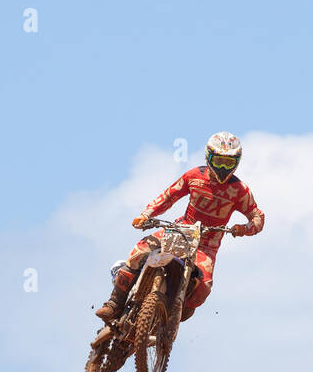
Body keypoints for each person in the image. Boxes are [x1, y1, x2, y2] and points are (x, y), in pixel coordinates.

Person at [97, 132, 265, 323]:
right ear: (208, 157)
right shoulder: (194, 175)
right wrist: (146, 215)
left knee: (204, 287)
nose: (222, 168)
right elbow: (169, 196)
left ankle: (173, 315)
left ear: (237, 162)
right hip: (180, 230)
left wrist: (245, 228)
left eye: (228, 163)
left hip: (206, 245)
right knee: (139, 251)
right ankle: (113, 304)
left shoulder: (240, 191)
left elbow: (257, 217)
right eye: (218, 161)